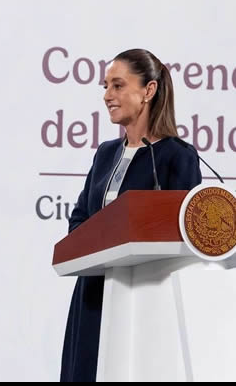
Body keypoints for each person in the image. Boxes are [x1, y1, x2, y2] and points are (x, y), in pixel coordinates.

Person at [60, 49, 201, 382]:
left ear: (148, 90)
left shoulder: (178, 156)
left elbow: (186, 238)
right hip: (93, 295)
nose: (107, 95)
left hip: (145, 301)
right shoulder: (105, 154)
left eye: (118, 85)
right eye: (106, 86)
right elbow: (79, 221)